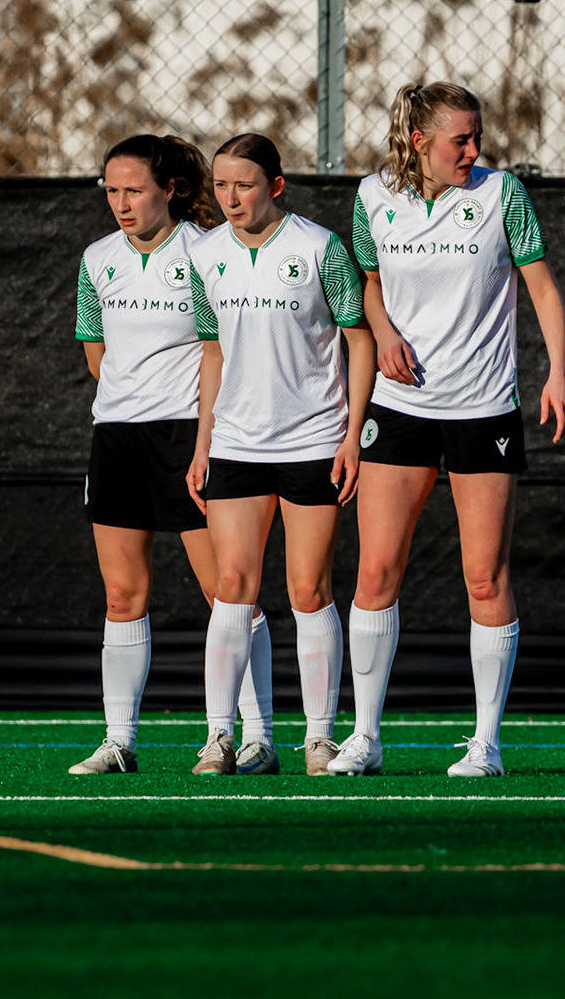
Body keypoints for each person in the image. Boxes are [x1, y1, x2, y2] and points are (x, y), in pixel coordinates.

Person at [326, 82, 565, 779]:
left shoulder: (502, 195)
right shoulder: (374, 197)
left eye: (477, 135)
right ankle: (365, 738)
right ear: (418, 142)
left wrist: (557, 372)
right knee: (376, 571)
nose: (474, 149)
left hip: (484, 409)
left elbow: (542, 287)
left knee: (484, 578)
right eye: (460, 139)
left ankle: (486, 744)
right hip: (399, 411)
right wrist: (383, 329)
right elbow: (367, 281)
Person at [68, 134, 279, 775]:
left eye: (135, 190)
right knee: (121, 595)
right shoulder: (97, 258)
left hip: (190, 436)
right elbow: (95, 349)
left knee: (228, 592)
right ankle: (119, 741)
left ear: (171, 190)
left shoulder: (203, 252)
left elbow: (225, 345)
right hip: (118, 438)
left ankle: (259, 737)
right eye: (111, 191)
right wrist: (130, 402)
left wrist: (203, 435)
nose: (121, 204)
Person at [183, 134, 376, 776]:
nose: (230, 198)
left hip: (314, 441)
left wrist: (352, 434)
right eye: (220, 186)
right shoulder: (205, 254)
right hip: (236, 443)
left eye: (244, 185)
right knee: (232, 589)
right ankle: (223, 738)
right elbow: (212, 350)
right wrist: (203, 442)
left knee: (307, 589)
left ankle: (319, 737)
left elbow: (358, 340)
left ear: (276, 186)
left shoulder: (320, 247)